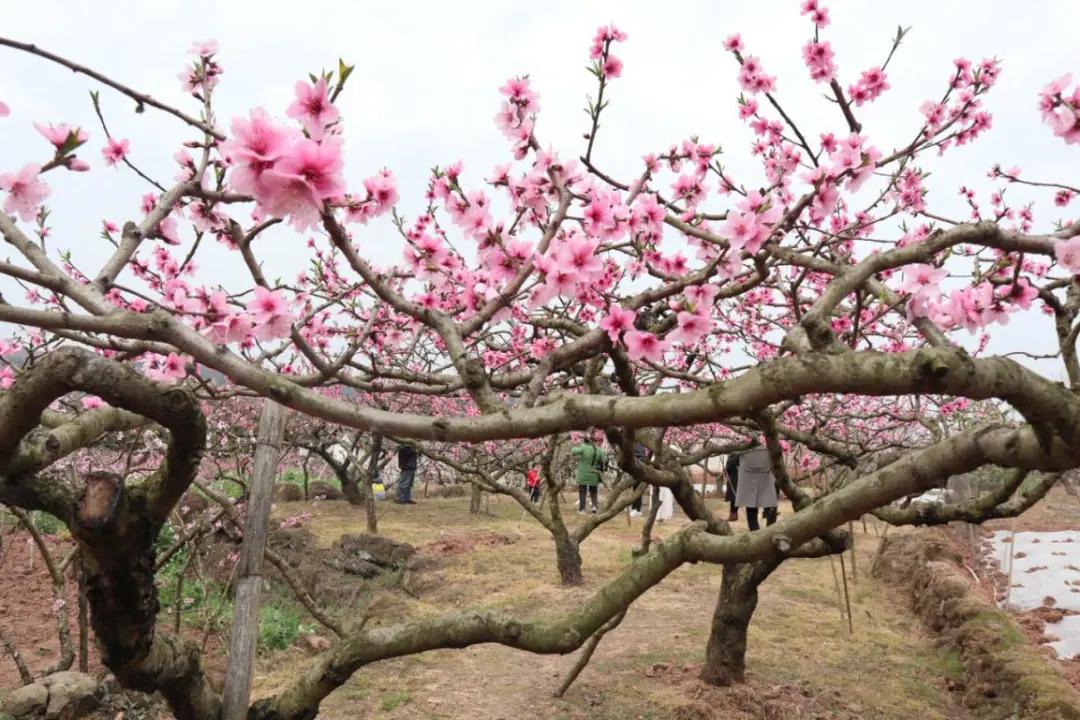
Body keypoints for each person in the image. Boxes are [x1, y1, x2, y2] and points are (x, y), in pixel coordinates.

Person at [735, 443, 778, 531]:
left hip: (748, 480)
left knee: (751, 511)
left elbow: (734, 461)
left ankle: (754, 532)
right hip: (767, 479)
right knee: (771, 507)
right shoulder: (770, 445)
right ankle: (770, 530)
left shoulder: (743, 445)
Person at [571, 431, 607, 514]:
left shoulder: (584, 448)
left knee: (582, 491)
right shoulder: (598, 450)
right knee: (593, 491)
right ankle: (594, 506)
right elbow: (604, 460)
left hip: (584, 474)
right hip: (594, 473)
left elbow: (573, 451)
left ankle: (582, 509)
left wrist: (575, 443)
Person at [629, 441, 651, 517]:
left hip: (637, 470)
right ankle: (635, 508)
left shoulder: (636, 445)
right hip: (638, 470)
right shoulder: (640, 445)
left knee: (637, 490)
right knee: (636, 490)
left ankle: (636, 509)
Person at [724, 452, 741, 522]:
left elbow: (730, 466)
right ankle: (733, 515)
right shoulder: (735, 455)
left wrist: (726, 469)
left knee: (734, 497)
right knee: (734, 498)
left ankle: (733, 515)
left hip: (735, 478)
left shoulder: (734, 455)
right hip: (735, 477)